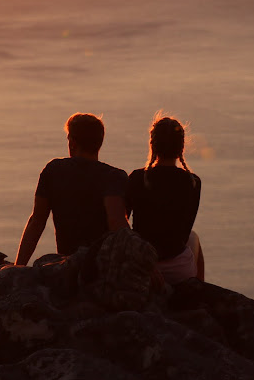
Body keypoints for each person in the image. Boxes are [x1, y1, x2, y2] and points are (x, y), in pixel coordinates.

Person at [15, 113, 128, 266]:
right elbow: (117, 225)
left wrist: (18, 266)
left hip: (67, 265)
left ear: (72, 143)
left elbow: (37, 221)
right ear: (100, 142)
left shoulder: (54, 170)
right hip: (102, 265)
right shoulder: (115, 176)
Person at [125, 114, 204, 284]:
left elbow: (123, 224)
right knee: (193, 238)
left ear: (152, 145)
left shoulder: (138, 178)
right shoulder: (193, 182)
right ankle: (198, 292)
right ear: (181, 147)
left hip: (143, 265)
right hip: (179, 269)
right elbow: (185, 229)